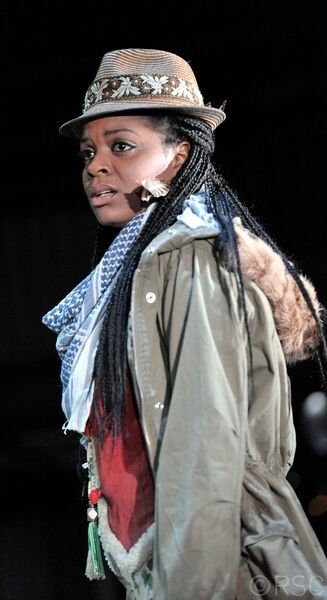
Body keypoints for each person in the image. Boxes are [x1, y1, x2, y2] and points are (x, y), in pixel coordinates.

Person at [42, 48, 327, 599]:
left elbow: (206, 449)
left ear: (179, 155)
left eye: (121, 145)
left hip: (222, 573)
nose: (96, 164)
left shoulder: (191, 260)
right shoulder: (133, 275)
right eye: (89, 152)